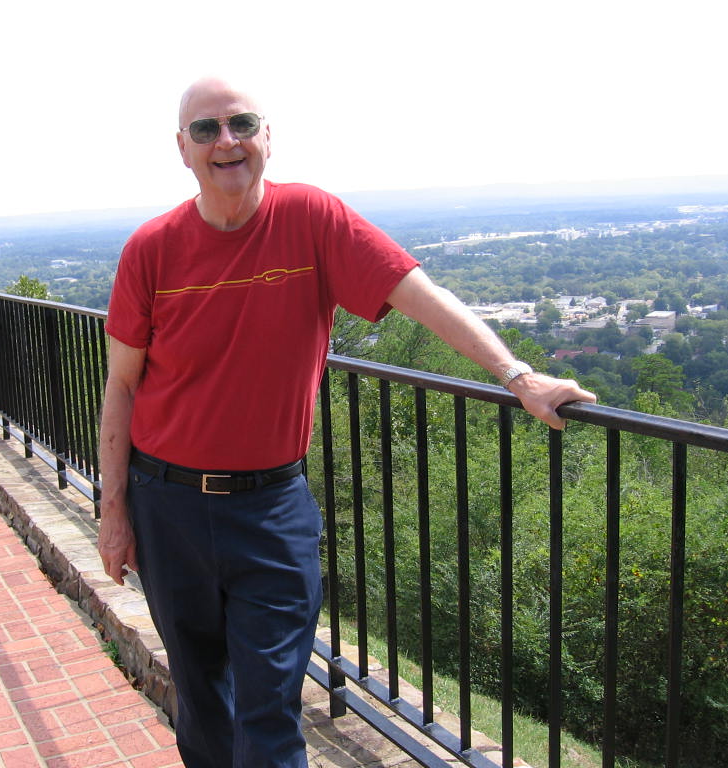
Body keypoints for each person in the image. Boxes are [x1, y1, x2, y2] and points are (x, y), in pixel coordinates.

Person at [98, 76, 596, 768]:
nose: (227, 141)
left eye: (242, 124)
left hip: (271, 510)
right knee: (203, 702)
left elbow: (421, 295)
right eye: (206, 129)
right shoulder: (152, 249)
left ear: (268, 136)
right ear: (183, 148)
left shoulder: (312, 219)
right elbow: (122, 387)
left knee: (270, 712)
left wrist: (517, 376)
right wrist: (115, 510)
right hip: (167, 505)